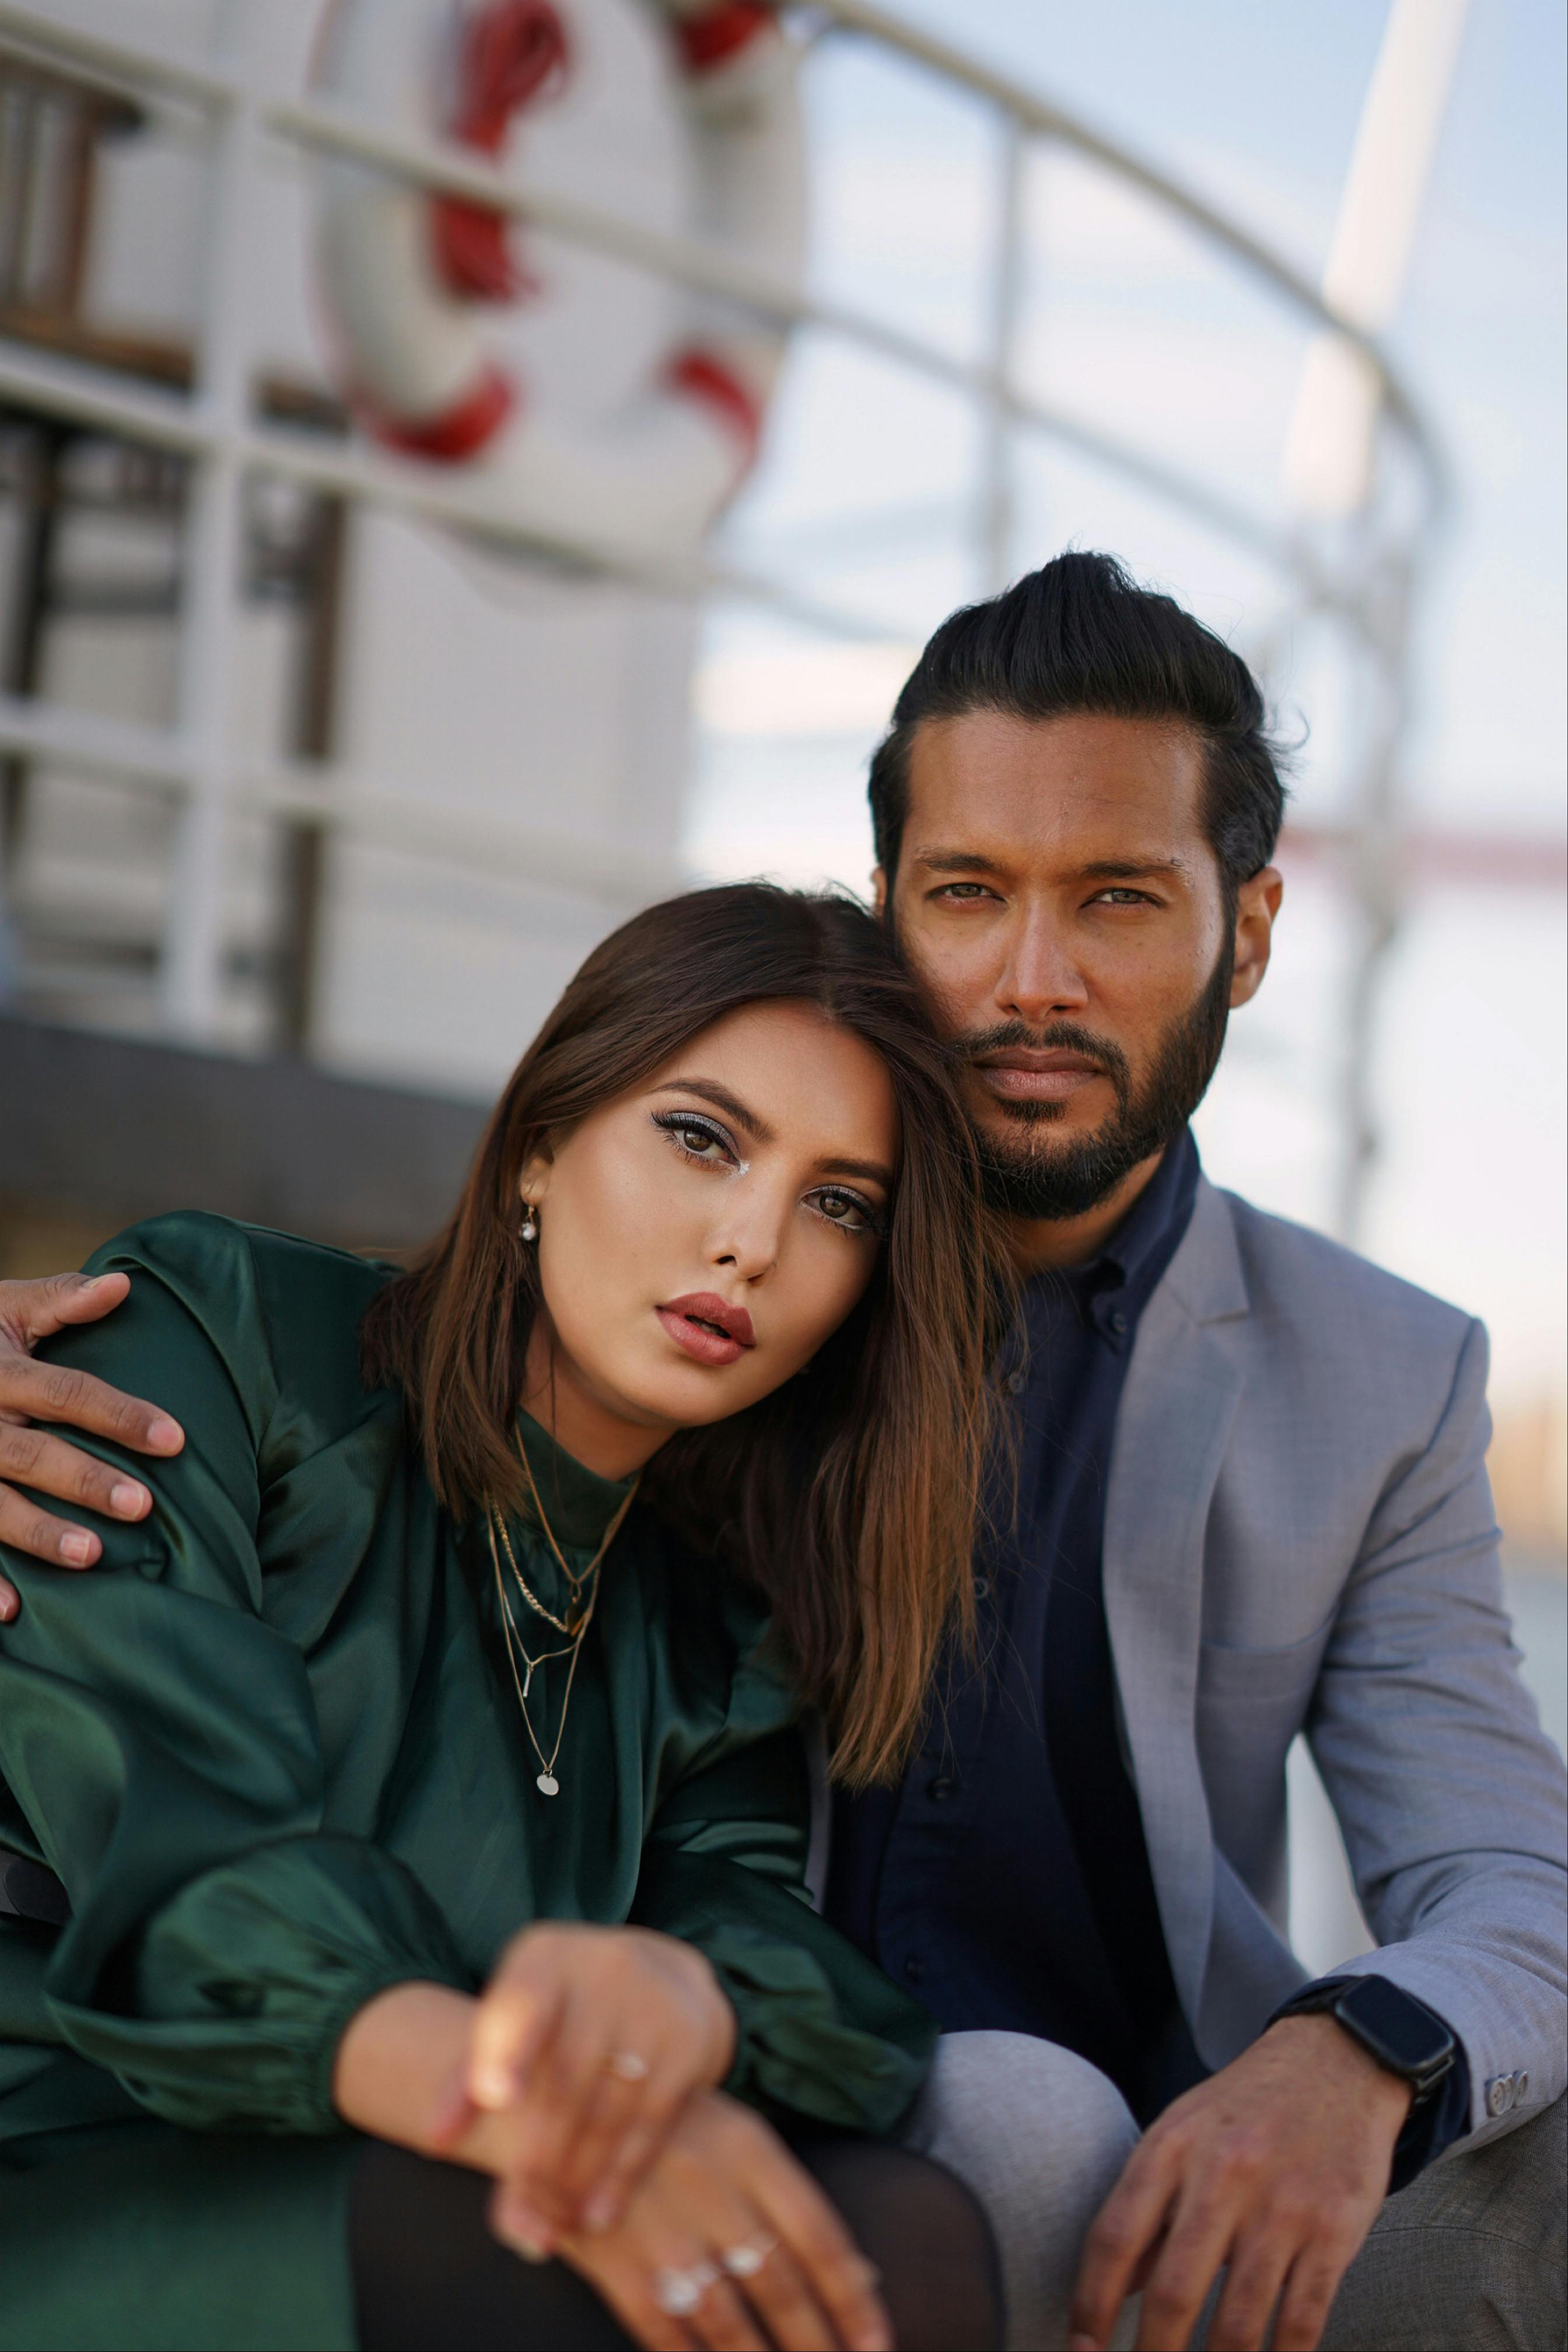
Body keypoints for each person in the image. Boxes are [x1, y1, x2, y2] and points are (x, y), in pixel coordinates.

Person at [6, 552, 1566, 2352]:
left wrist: (1357, 2049)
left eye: (1122, 900)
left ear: (1254, 929)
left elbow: (1508, 1879)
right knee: (978, 2150)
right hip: (244, 2116)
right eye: (970, 893)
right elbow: (179, 1768)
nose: (1034, 979)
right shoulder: (366, 1342)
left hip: (1024, 2104)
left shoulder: (1370, 1377)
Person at [0, 884, 1006, 2352]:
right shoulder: (219, 1333)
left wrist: (687, 2004)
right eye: (703, 1138)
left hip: (425, 2173)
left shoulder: (715, 1633)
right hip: (74, 2154)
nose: (751, 1242)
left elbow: (797, 1979)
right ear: (541, 1141)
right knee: (572, 2264)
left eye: (838, 1204)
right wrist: (533, 2108)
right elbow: (178, 1850)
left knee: (900, 2235)